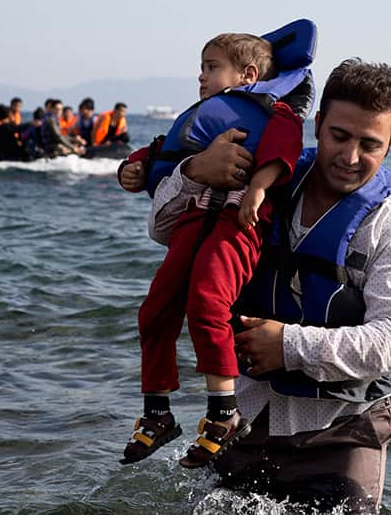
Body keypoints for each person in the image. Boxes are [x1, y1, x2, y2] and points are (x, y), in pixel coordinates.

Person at [147, 58, 391, 513]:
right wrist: (195, 170)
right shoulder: (265, 178)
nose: (350, 157)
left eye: (369, 144)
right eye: (339, 136)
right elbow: (162, 228)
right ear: (317, 125)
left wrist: (289, 346)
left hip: (343, 435)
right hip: (246, 421)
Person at [117, 28, 312, 469]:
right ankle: (157, 413)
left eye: (210, 68)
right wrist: (133, 167)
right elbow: (163, 149)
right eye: (201, 69)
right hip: (192, 221)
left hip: (236, 223)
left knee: (207, 302)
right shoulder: (205, 116)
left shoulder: (276, 112)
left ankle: (224, 415)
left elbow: (284, 148)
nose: (201, 79)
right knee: (154, 310)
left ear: (246, 75)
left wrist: (258, 189)